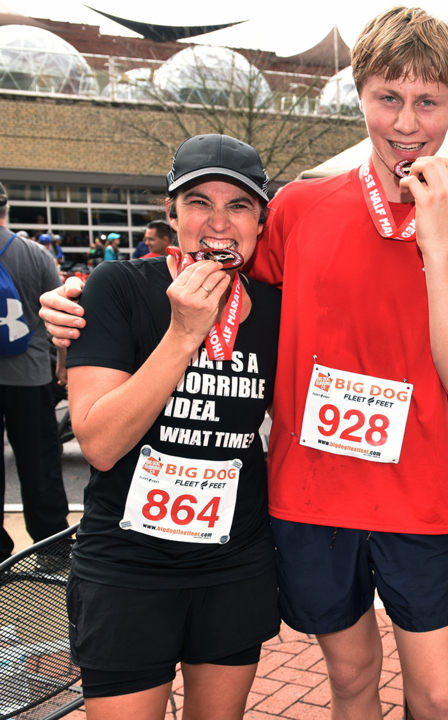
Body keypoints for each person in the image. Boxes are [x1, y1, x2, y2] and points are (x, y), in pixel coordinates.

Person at [42, 9, 448, 719]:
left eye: (427, 102)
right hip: (310, 496)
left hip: (418, 496)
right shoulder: (299, 206)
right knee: (351, 680)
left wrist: (437, 240)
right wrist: (85, 296)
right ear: (360, 97)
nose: (406, 122)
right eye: (388, 97)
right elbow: (215, 266)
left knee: (441, 695)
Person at [62, 135, 282, 719]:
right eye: (198, 203)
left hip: (233, 560)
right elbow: (101, 444)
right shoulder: (117, 288)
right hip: (128, 565)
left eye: (238, 205)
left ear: (261, 220)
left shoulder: (276, 308)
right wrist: (183, 334)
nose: (218, 222)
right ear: (171, 212)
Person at [0, 182, 70, 561]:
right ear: (7, 208)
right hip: (29, 375)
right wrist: (62, 366)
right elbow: (61, 318)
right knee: (39, 461)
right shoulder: (34, 254)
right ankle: (52, 544)